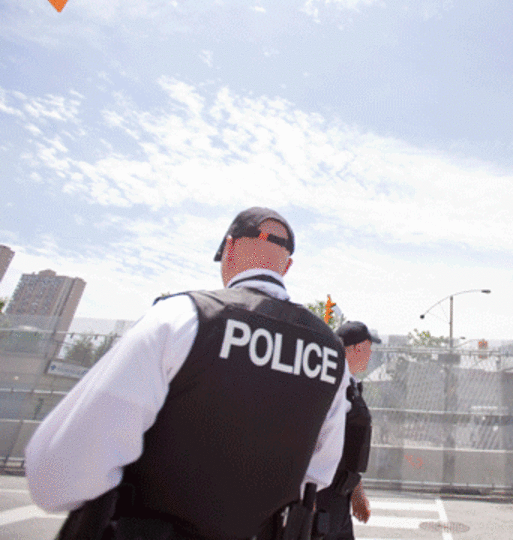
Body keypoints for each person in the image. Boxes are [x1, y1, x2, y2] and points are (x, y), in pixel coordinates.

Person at [26, 206, 351, 540]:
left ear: (230, 248)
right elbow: (318, 473)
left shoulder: (183, 317)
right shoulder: (331, 353)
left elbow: (58, 473)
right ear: (287, 265)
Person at [317, 321, 381, 540]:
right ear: (358, 348)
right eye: (369, 348)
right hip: (323, 496)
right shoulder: (333, 384)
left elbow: (347, 444)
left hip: (339, 494)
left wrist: (355, 489)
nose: (371, 354)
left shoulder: (349, 384)